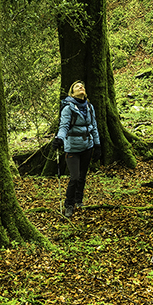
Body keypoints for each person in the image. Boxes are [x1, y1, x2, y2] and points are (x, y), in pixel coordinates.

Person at [52, 80, 101, 218]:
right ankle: (69, 204)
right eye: (77, 87)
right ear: (72, 92)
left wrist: (97, 145)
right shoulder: (68, 108)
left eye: (83, 86)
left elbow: (94, 127)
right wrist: (59, 139)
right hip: (72, 147)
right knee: (74, 177)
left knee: (82, 177)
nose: (81, 87)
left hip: (87, 146)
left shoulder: (90, 107)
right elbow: (64, 126)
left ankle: (79, 201)